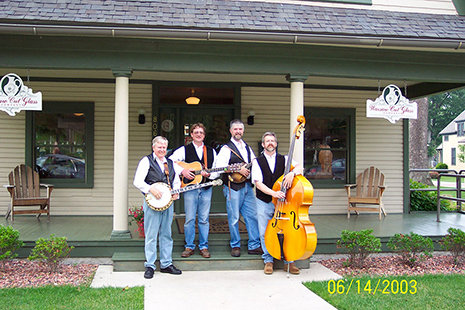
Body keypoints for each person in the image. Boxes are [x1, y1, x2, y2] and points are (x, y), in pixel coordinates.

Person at [251, 131, 304, 275]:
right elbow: (258, 183)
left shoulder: (285, 159)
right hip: (265, 200)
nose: (270, 143)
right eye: (267, 141)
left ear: (276, 144)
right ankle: (268, 260)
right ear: (263, 144)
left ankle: (289, 261)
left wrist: (293, 173)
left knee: (287, 230)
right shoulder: (257, 162)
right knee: (265, 231)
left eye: (272, 141)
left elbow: (300, 167)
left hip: (283, 203)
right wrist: (273, 193)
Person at [133, 136, 183, 279]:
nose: (162, 150)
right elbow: (138, 181)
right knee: (151, 234)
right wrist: (150, 189)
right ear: (153, 147)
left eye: (164, 147)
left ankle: (166, 264)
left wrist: (176, 192)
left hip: (167, 203)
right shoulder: (146, 161)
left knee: (166, 233)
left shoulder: (170, 163)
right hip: (152, 203)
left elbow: (176, 181)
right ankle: (150, 265)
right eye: (159, 147)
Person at [169, 123, 218, 259]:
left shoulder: (211, 151)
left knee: (204, 219)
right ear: (191, 135)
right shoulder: (183, 150)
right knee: (189, 219)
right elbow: (170, 161)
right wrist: (183, 170)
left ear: (204, 135)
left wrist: (210, 175)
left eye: (201, 132)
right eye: (196, 132)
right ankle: (189, 246)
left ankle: (203, 246)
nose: (198, 134)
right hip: (190, 188)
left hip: (206, 188)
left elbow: (216, 168)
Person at [216, 119, 262, 257]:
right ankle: (235, 245)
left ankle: (254, 245)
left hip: (247, 186)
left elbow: (254, 162)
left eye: (240, 129)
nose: (238, 131)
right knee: (234, 217)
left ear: (243, 131)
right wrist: (237, 170)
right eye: (235, 129)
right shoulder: (226, 148)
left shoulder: (247, 147)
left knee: (252, 216)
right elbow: (220, 167)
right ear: (231, 131)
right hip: (233, 187)